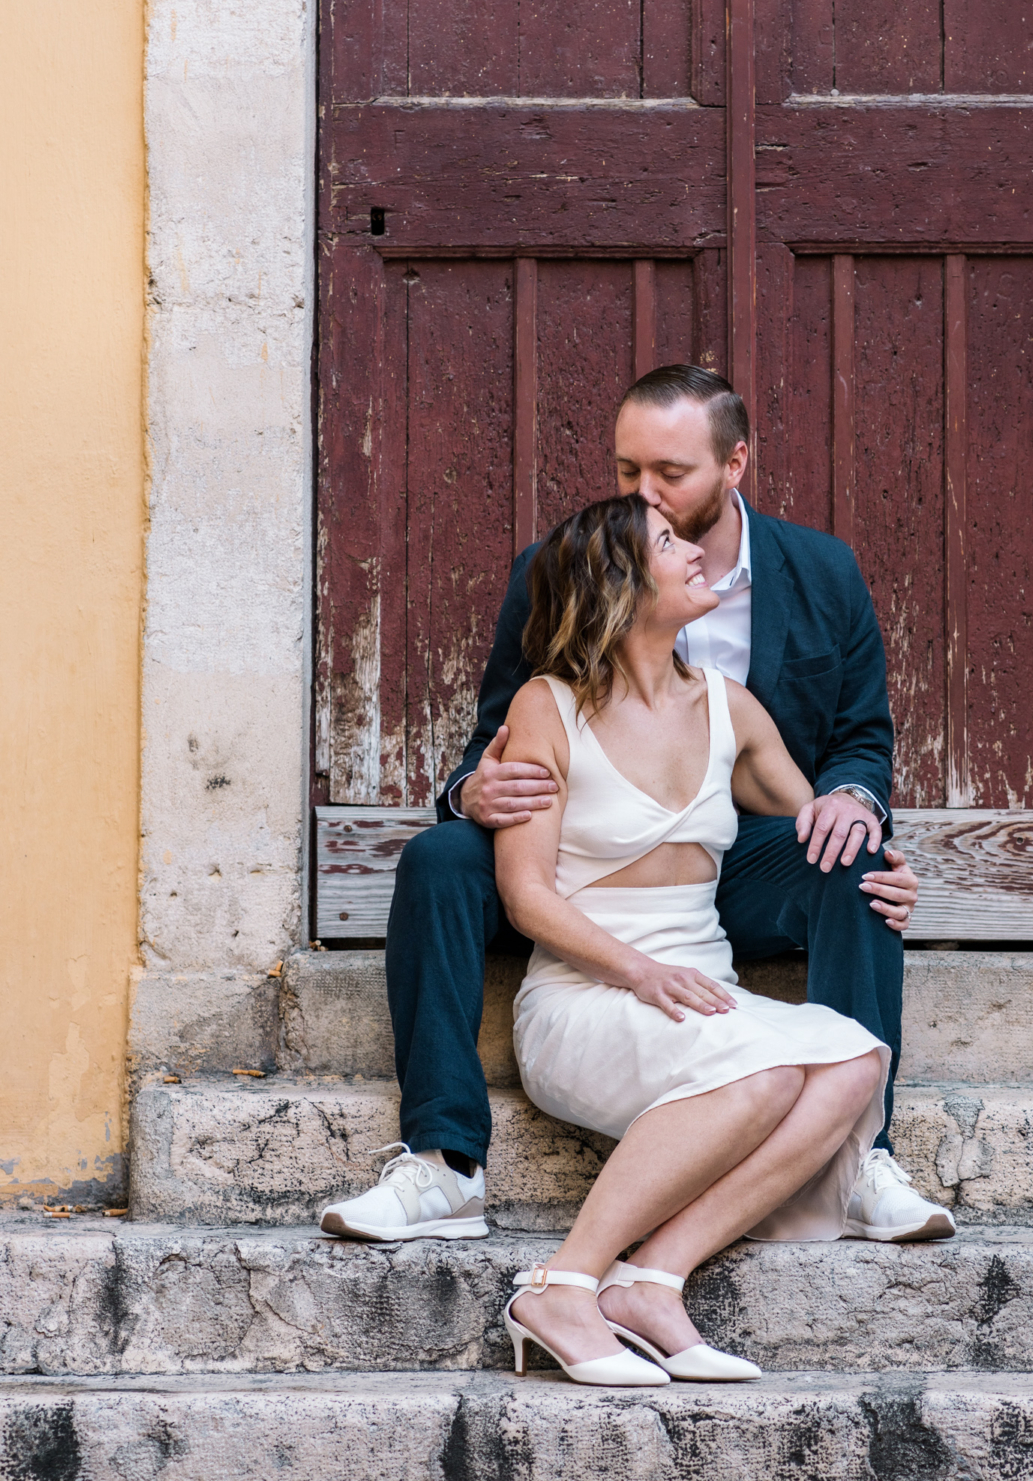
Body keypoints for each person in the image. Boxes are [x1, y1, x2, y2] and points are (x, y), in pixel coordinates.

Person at [319, 365, 952, 1246]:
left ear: (735, 464)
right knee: (439, 858)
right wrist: (472, 787)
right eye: (627, 472)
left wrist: (861, 819)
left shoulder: (819, 571)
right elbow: (499, 729)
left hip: (734, 858)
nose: (643, 490)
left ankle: (861, 1166)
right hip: (575, 858)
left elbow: (859, 736)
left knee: (853, 860)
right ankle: (443, 1164)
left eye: (669, 473)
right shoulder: (558, 568)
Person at [496, 492, 902, 1386]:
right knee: (758, 1070)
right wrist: (637, 973)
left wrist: (878, 863)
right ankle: (561, 1286)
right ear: (618, 584)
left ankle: (653, 1278)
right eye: (669, 543)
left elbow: (817, 837)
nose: (693, 552)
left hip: (702, 999)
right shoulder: (547, 708)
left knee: (853, 1061)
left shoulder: (729, 708)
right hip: (587, 998)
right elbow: (525, 894)